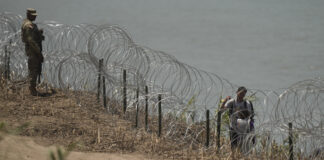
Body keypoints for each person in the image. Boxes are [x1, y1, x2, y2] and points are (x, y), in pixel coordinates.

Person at [220, 86, 255, 150]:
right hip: (234, 127)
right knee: (234, 146)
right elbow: (221, 110)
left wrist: (252, 130)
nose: (242, 95)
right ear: (237, 92)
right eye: (241, 93)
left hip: (244, 128)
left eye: (243, 94)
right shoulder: (232, 102)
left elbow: (251, 117)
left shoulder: (247, 103)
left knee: (244, 146)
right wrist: (225, 101)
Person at [21, 8, 44, 96]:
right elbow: (31, 41)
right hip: (33, 50)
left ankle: (32, 88)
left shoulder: (30, 24)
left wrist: (39, 33)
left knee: (34, 68)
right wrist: (39, 52)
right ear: (29, 15)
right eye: (33, 16)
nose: (35, 17)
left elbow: (33, 37)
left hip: (33, 50)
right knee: (33, 69)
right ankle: (32, 89)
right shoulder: (28, 25)